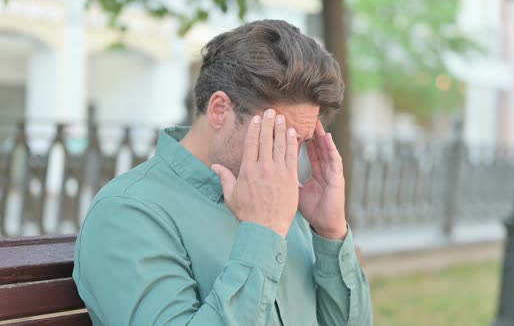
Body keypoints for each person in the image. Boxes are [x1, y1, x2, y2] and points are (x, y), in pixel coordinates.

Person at [73, 19, 373, 326]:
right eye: (280, 135)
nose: (290, 159)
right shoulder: (127, 213)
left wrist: (330, 231)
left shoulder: (285, 203)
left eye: (301, 142)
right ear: (220, 110)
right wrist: (263, 233)